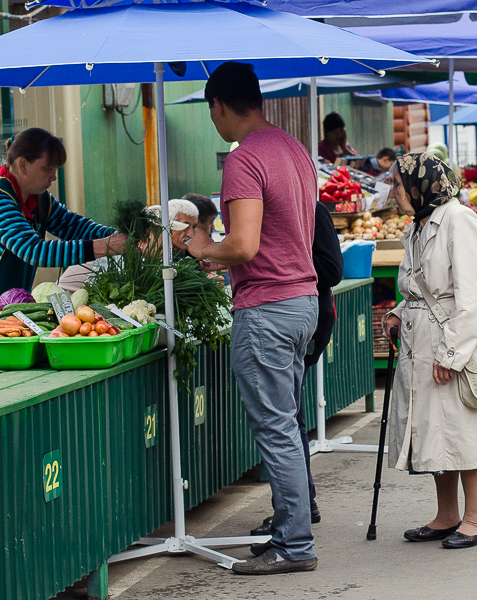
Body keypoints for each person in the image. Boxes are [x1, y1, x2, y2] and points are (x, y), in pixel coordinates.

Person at [187, 61, 319, 575]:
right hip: (302, 300)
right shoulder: (293, 149)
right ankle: (291, 529)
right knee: (288, 424)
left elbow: (242, 245)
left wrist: (202, 245)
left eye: (211, 111)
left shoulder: (243, 159)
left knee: (276, 428)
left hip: (266, 307)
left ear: (218, 104)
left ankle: (294, 545)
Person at [381, 152, 477, 550]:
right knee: (436, 430)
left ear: (420, 186)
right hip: (420, 339)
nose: (394, 192)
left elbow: (473, 296)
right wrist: (397, 312)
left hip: (450, 339)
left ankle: (475, 519)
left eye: (397, 184)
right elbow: (416, 285)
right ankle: (446, 515)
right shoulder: (419, 224)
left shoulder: (460, 220)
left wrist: (452, 353)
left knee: (463, 427)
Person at [0, 128, 125, 357]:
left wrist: (120, 236)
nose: (53, 176)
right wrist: (105, 247)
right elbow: (34, 250)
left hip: (1, 316)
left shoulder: (37, 198)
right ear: (23, 165)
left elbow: (74, 226)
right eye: (47, 168)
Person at [250, 200, 343, 539]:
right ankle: (303, 503)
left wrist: (282, 266)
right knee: (291, 416)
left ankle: (295, 512)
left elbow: (333, 270)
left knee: (286, 418)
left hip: (305, 315)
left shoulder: (311, 209)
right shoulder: (268, 211)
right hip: (300, 314)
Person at [57, 199, 197, 293]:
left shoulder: (144, 260)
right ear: (147, 233)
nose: (167, 243)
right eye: (164, 234)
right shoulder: (118, 257)